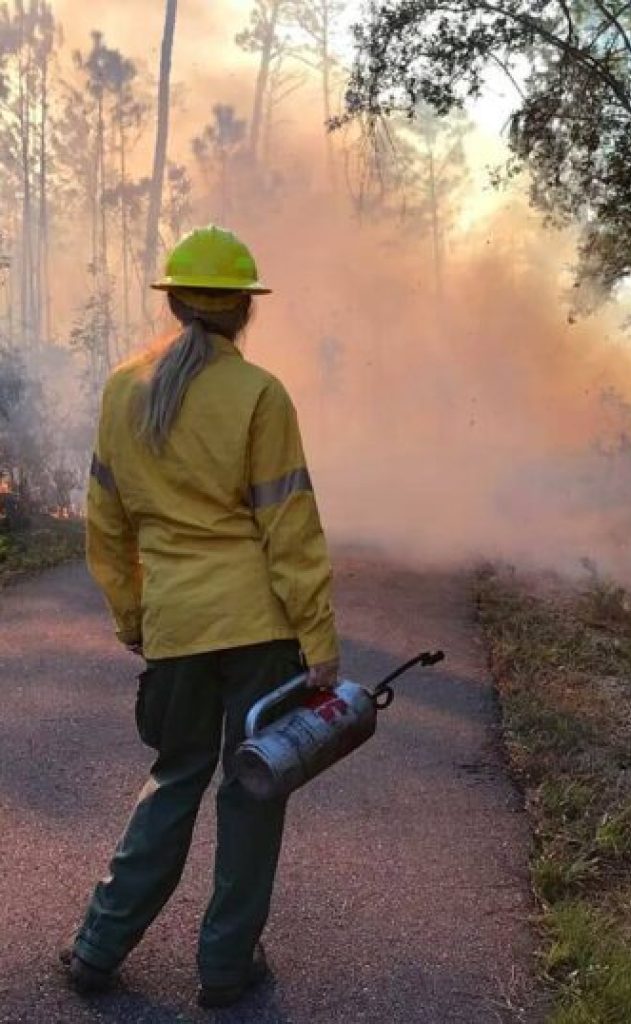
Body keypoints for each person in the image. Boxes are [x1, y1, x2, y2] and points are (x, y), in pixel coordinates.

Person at [63, 225, 340, 1008]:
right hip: (261, 633)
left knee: (174, 778)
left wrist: (132, 618)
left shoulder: (124, 389)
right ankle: (225, 967)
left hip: (177, 627)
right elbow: (289, 528)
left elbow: (106, 524)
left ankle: (96, 948)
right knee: (252, 791)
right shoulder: (259, 394)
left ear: (176, 301)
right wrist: (318, 641)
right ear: (245, 309)